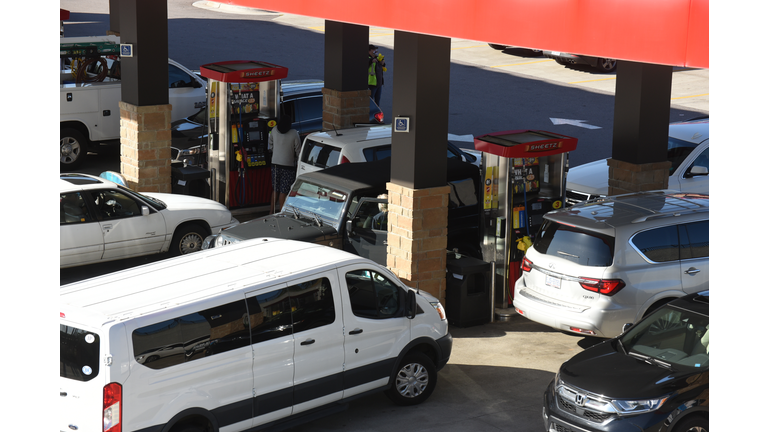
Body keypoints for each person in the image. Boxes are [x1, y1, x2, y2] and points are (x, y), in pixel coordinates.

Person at [268, 116, 301, 213]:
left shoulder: (274, 130)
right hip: (288, 167)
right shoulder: (294, 133)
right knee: (283, 191)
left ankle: (271, 212)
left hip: (274, 165)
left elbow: (270, 145)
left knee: (275, 189)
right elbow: (298, 151)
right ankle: (281, 213)